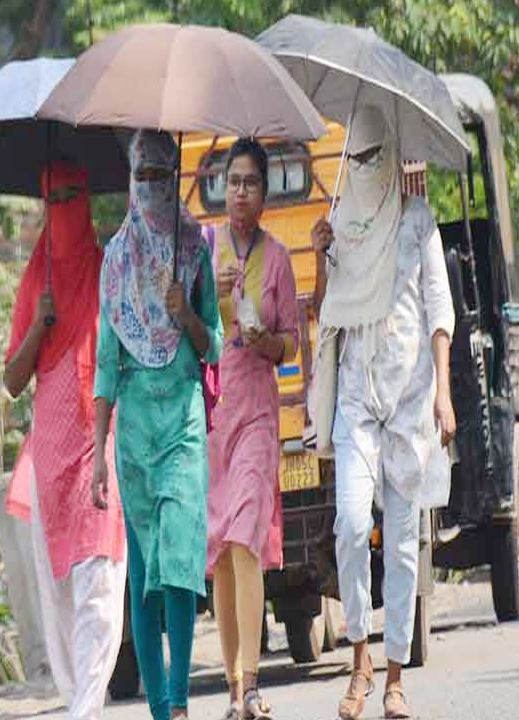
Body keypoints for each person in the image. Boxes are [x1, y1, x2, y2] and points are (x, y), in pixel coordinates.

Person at [311, 105, 456, 720]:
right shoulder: (341, 225)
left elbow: (440, 313)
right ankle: (359, 656)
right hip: (355, 400)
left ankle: (394, 677)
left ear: (392, 159)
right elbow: (325, 313)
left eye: (375, 157)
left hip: (408, 404)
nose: (367, 167)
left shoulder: (419, 223)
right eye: (358, 158)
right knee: (348, 523)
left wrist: (444, 392)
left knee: (400, 546)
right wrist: (322, 255)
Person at [93, 130, 223, 720]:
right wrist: (98, 454)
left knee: (178, 563)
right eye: (141, 175)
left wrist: (185, 313)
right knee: (144, 573)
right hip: (135, 432)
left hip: (183, 425)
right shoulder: (116, 259)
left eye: (160, 175)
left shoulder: (195, 247)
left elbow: (214, 344)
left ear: (176, 176)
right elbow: (104, 364)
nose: (150, 187)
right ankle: (160, 712)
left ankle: (178, 699)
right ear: (130, 179)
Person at [3, 160, 126, 720]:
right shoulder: (36, 281)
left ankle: (84, 709)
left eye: (76, 195)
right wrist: (38, 327)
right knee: (60, 593)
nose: (67, 208)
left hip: (99, 443)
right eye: (57, 198)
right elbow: (10, 380)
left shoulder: (108, 273)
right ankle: (83, 701)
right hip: (50, 458)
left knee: (99, 580)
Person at [204, 139, 299, 720]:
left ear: (265, 192)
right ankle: (233, 690)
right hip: (215, 411)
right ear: (222, 188)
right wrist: (209, 300)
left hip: (260, 410)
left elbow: (291, 340)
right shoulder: (204, 248)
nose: (240, 191)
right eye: (232, 181)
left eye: (250, 182)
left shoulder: (280, 258)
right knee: (220, 551)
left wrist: (269, 342)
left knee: (244, 536)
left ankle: (254, 683)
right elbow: (188, 329)